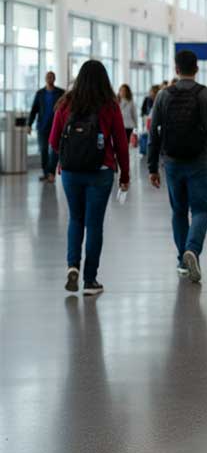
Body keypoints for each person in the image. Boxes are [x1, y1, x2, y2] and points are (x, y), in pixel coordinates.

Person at [49, 60, 130, 296]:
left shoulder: (65, 103)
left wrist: (63, 162)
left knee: (76, 219)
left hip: (71, 172)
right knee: (94, 225)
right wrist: (125, 175)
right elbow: (121, 144)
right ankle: (90, 280)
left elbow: (53, 142)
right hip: (101, 172)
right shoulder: (109, 105)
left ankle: (72, 266)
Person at [148, 50, 207, 283]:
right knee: (201, 210)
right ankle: (192, 249)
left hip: (172, 161)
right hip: (200, 161)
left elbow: (154, 134)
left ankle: (183, 260)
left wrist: (152, 167)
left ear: (176, 69)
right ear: (197, 69)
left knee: (179, 211)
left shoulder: (163, 96)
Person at [27, 71, 65, 182]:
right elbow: (34, 110)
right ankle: (46, 173)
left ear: (54, 79)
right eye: (48, 77)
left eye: (52, 77)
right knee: (43, 150)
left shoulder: (61, 93)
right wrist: (29, 124)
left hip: (56, 127)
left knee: (54, 151)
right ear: (45, 79)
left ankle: (51, 173)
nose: (50, 78)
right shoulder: (40, 93)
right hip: (42, 128)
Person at [139, 84, 160, 156]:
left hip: (155, 123)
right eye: (151, 91)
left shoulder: (159, 100)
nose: (152, 93)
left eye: (154, 92)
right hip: (148, 120)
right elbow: (143, 110)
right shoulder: (147, 99)